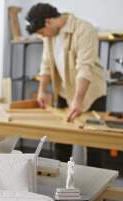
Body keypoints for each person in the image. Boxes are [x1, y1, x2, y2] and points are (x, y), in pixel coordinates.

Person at [25, 3, 107, 163]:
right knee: (61, 142)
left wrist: (78, 100)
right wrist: (42, 90)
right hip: (64, 92)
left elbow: (85, 67)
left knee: (95, 145)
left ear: (48, 21)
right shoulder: (49, 36)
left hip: (91, 93)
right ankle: (61, 183)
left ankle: (97, 186)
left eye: (42, 32)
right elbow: (46, 64)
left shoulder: (84, 29)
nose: (43, 36)